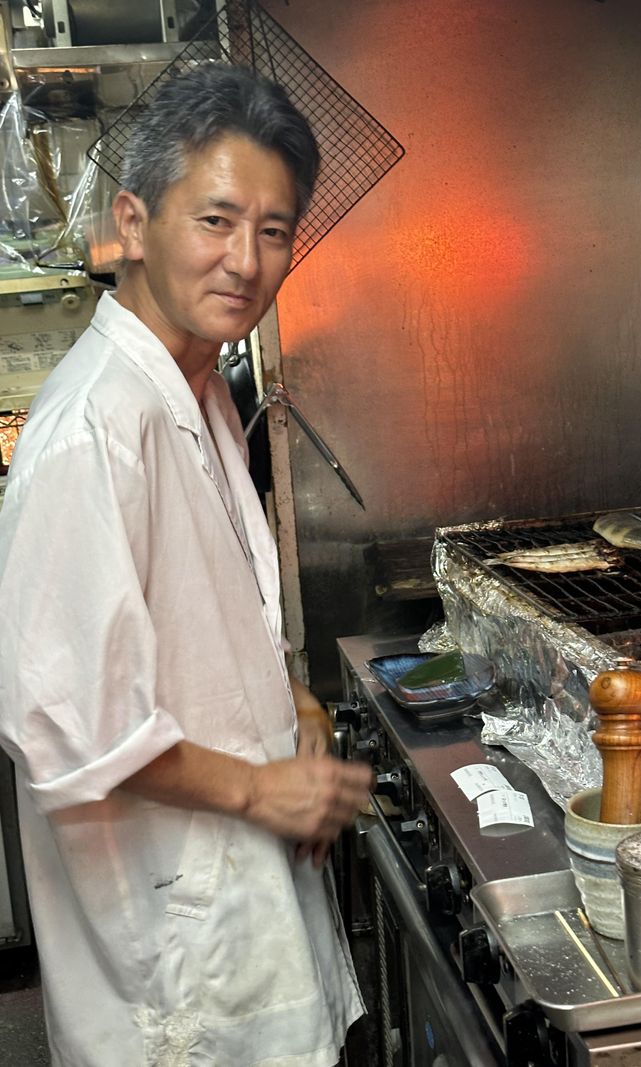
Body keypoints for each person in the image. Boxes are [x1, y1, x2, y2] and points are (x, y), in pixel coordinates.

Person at [0, 63, 374, 1067]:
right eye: (216, 220)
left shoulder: (194, 389)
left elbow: (199, 622)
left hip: (232, 916)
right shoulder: (93, 431)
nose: (246, 261)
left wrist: (291, 700)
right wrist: (258, 789)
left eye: (273, 230)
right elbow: (66, 722)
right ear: (133, 220)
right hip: (169, 955)